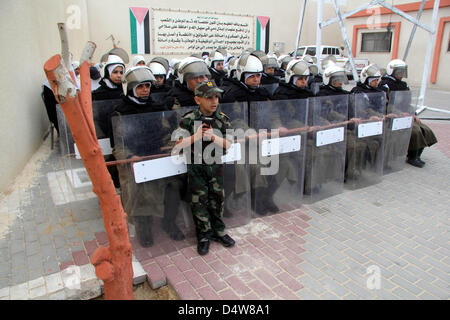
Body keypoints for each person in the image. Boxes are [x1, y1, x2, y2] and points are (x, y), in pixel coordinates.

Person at [109, 66, 185, 247]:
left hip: (157, 154)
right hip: (136, 159)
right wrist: (130, 157)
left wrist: (172, 146)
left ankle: (169, 222)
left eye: (147, 86)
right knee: (140, 191)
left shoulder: (156, 108)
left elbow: (167, 132)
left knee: (174, 186)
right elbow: (118, 145)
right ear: (130, 89)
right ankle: (145, 228)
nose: (145, 90)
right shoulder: (120, 112)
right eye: (140, 87)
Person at [174, 80, 235, 255]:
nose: (214, 101)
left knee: (217, 199)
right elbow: (178, 143)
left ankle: (219, 232)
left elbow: (229, 144)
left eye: (216, 97)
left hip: (215, 166)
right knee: (199, 202)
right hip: (196, 168)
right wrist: (196, 136)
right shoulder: (188, 120)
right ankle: (204, 236)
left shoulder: (222, 119)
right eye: (209, 97)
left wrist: (214, 137)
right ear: (198, 100)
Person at [378, 59, 437, 168]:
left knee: (425, 129)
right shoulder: (385, 85)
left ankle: (417, 155)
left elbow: (408, 102)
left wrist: (413, 114)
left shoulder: (404, 85)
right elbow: (386, 104)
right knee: (415, 131)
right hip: (393, 116)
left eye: (402, 71)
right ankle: (412, 157)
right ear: (392, 71)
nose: (401, 74)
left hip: (406, 115)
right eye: (398, 71)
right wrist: (399, 113)